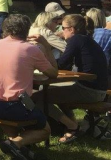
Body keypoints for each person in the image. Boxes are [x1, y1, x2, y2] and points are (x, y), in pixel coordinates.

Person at [0, 14, 58, 160]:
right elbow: (53, 73)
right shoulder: (31, 50)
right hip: (15, 105)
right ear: (27, 30)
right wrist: (47, 47)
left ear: (5, 29)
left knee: (7, 115)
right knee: (45, 129)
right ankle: (16, 143)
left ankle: (20, 150)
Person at [32, 14, 108, 144]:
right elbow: (65, 65)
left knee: (37, 97)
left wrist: (45, 47)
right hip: (98, 89)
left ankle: (73, 127)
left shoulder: (76, 40)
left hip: (89, 90)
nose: (61, 31)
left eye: (63, 28)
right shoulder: (85, 39)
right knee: (52, 91)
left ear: (71, 29)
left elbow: (61, 64)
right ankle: (71, 123)